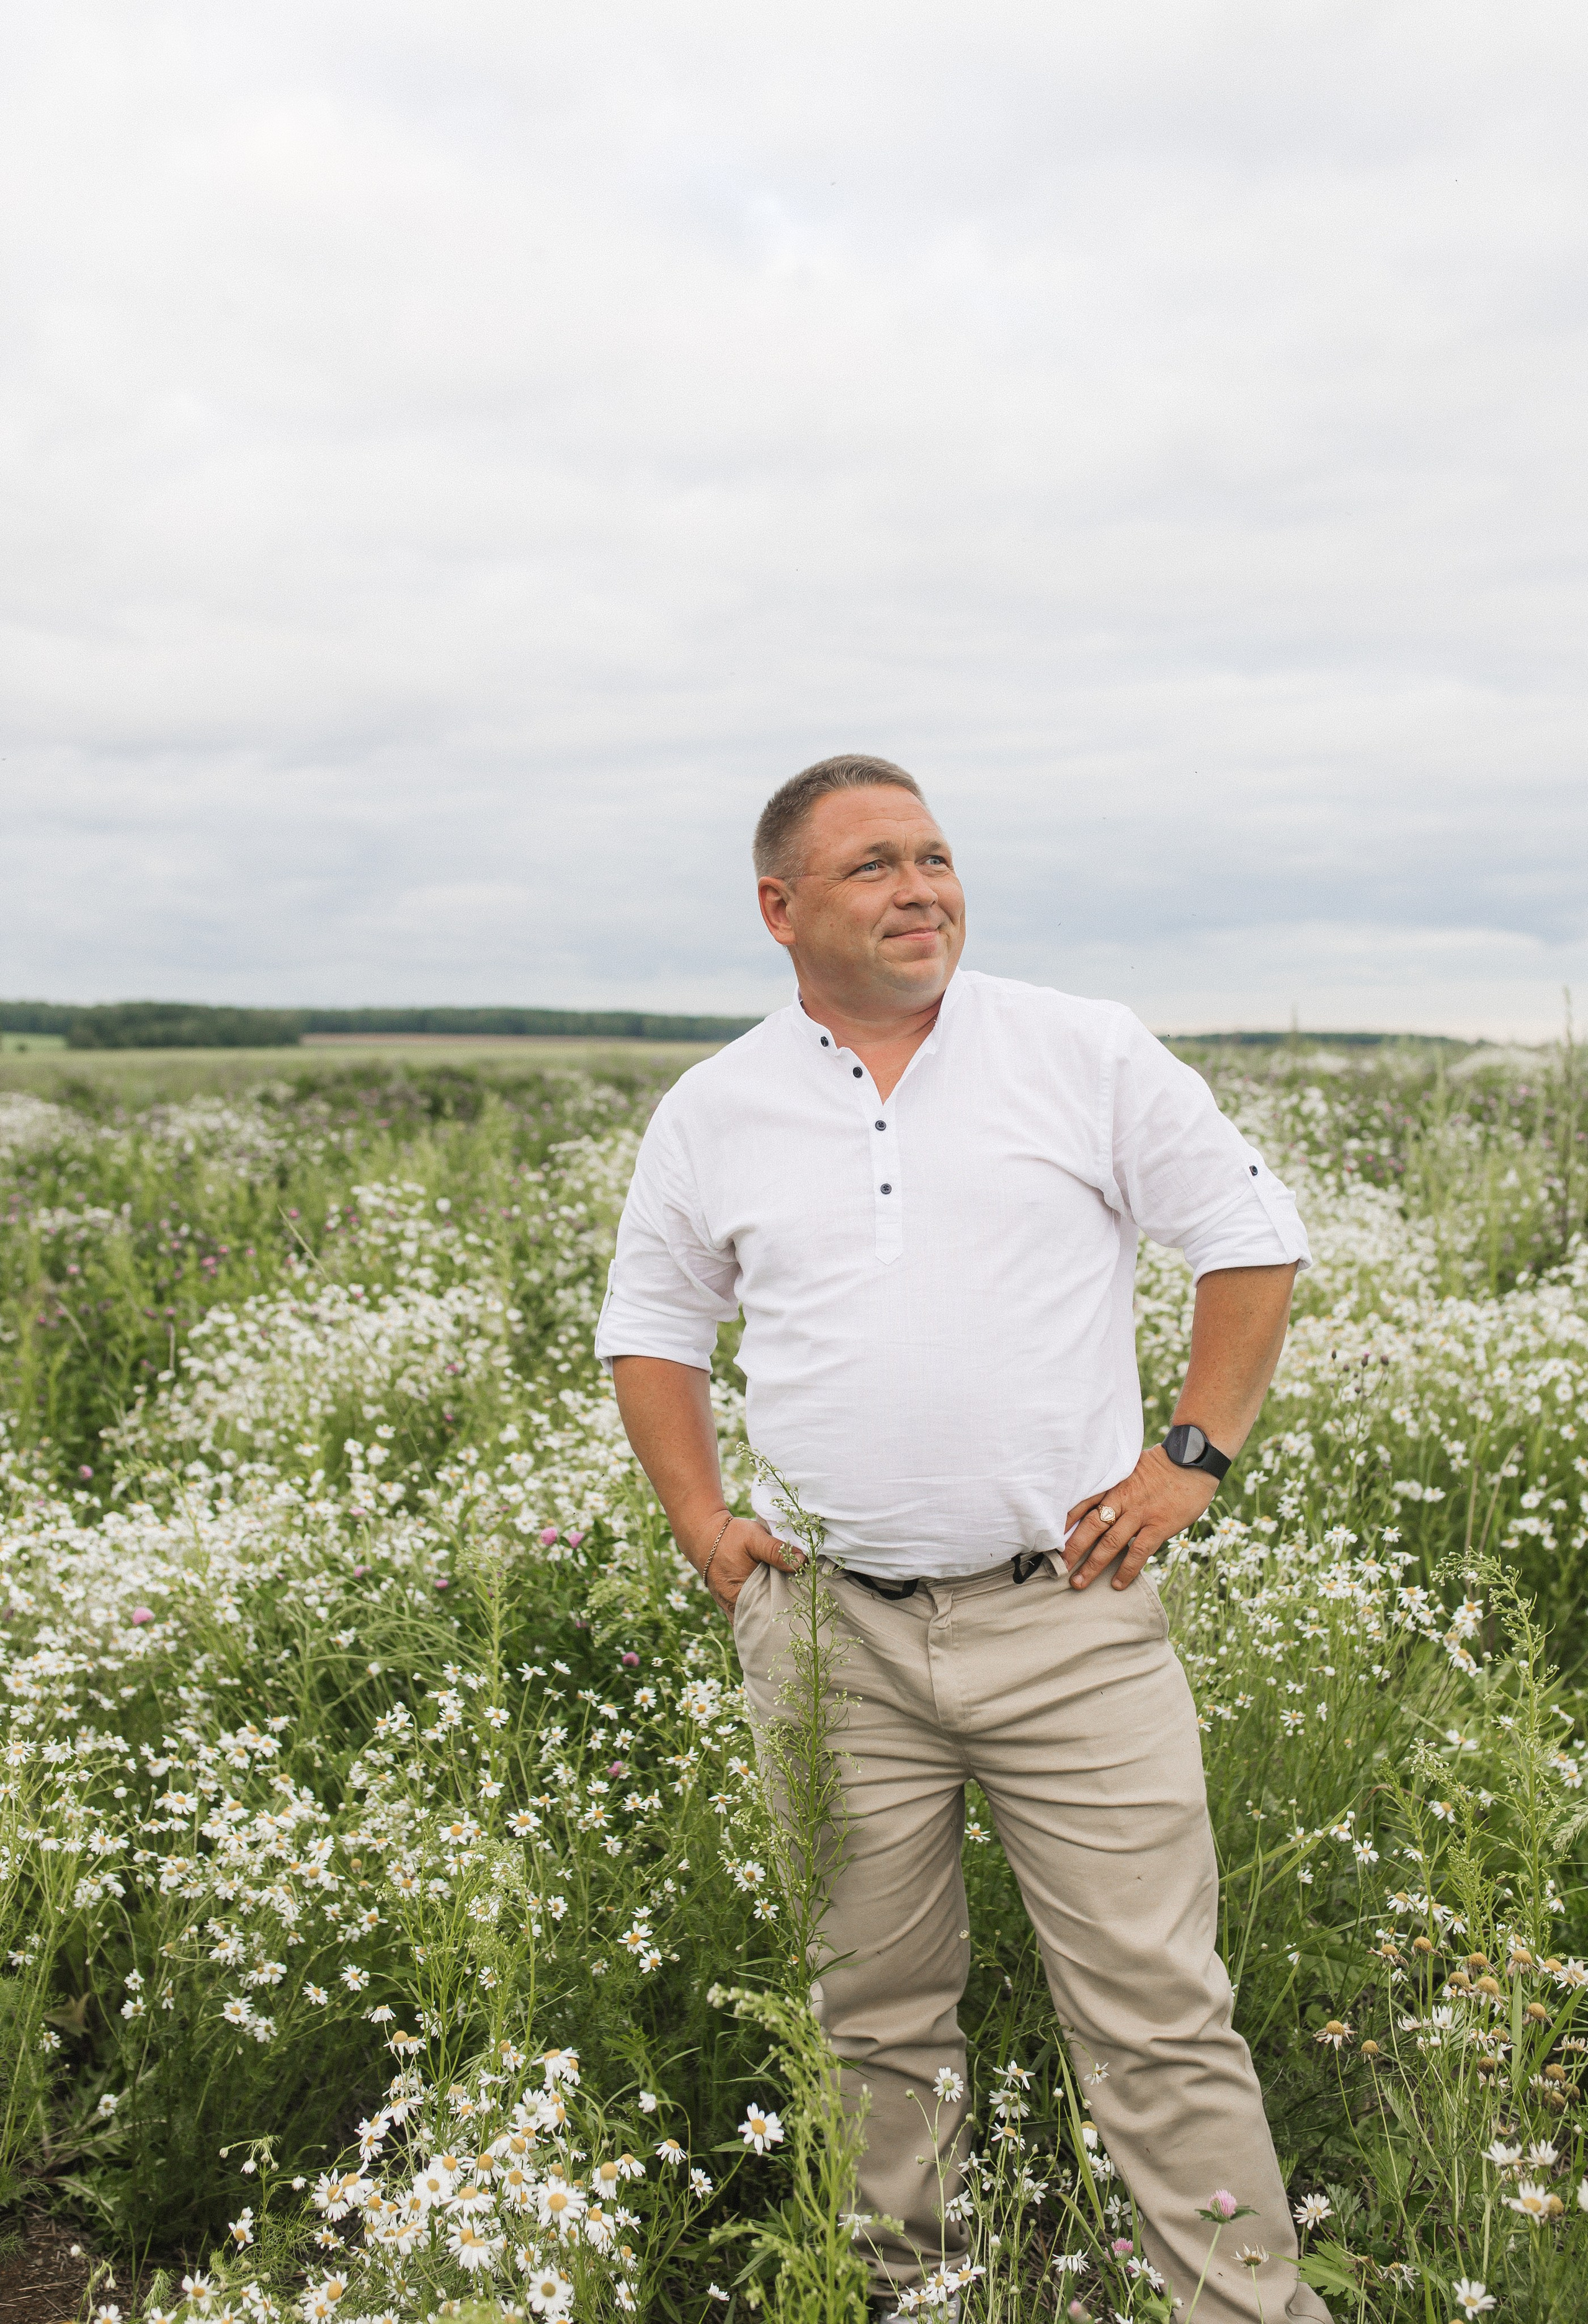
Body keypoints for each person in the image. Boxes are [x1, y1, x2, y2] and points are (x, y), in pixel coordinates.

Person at [596, 754, 1329, 2324]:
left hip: (1065, 1611)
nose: (920, 887)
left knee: (1154, 2007)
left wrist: (1187, 1454)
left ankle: (1244, 2310)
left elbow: (1248, 1234)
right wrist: (701, 1523)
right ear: (779, 908)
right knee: (870, 2009)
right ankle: (910, 2297)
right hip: (826, 1632)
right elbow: (651, 1322)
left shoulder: (1078, 1049)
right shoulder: (715, 1103)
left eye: (932, 855)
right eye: (873, 865)